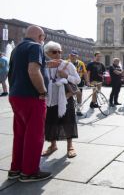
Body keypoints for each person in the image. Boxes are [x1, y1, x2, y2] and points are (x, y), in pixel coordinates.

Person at [7, 25, 60, 182]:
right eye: (43, 38)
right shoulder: (36, 46)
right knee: (35, 135)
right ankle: (29, 172)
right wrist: (42, 92)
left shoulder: (17, 49)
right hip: (32, 97)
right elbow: (33, 70)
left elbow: (14, 72)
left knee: (20, 134)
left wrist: (47, 64)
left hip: (16, 96)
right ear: (41, 37)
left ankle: (15, 169)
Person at [41, 41, 80, 159]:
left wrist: (66, 76)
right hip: (50, 99)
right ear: (47, 53)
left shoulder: (68, 65)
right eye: (54, 52)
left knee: (68, 121)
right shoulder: (44, 66)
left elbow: (77, 80)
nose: (58, 54)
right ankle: (53, 145)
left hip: (65, 98)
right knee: (51, 122)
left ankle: (70, 146)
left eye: (60, 51)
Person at [67, 50, 88, 116]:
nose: (73, 57)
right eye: (71, 55)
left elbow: (85, 72)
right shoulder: (66, 63)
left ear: (77, 56)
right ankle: (68, 108)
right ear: (69, 56)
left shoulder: (81, 63)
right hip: (69, 81)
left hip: (79, 81)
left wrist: (87, 81)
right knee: (70, 94)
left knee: (79, 94)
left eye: (74, 55)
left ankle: (78, 109)